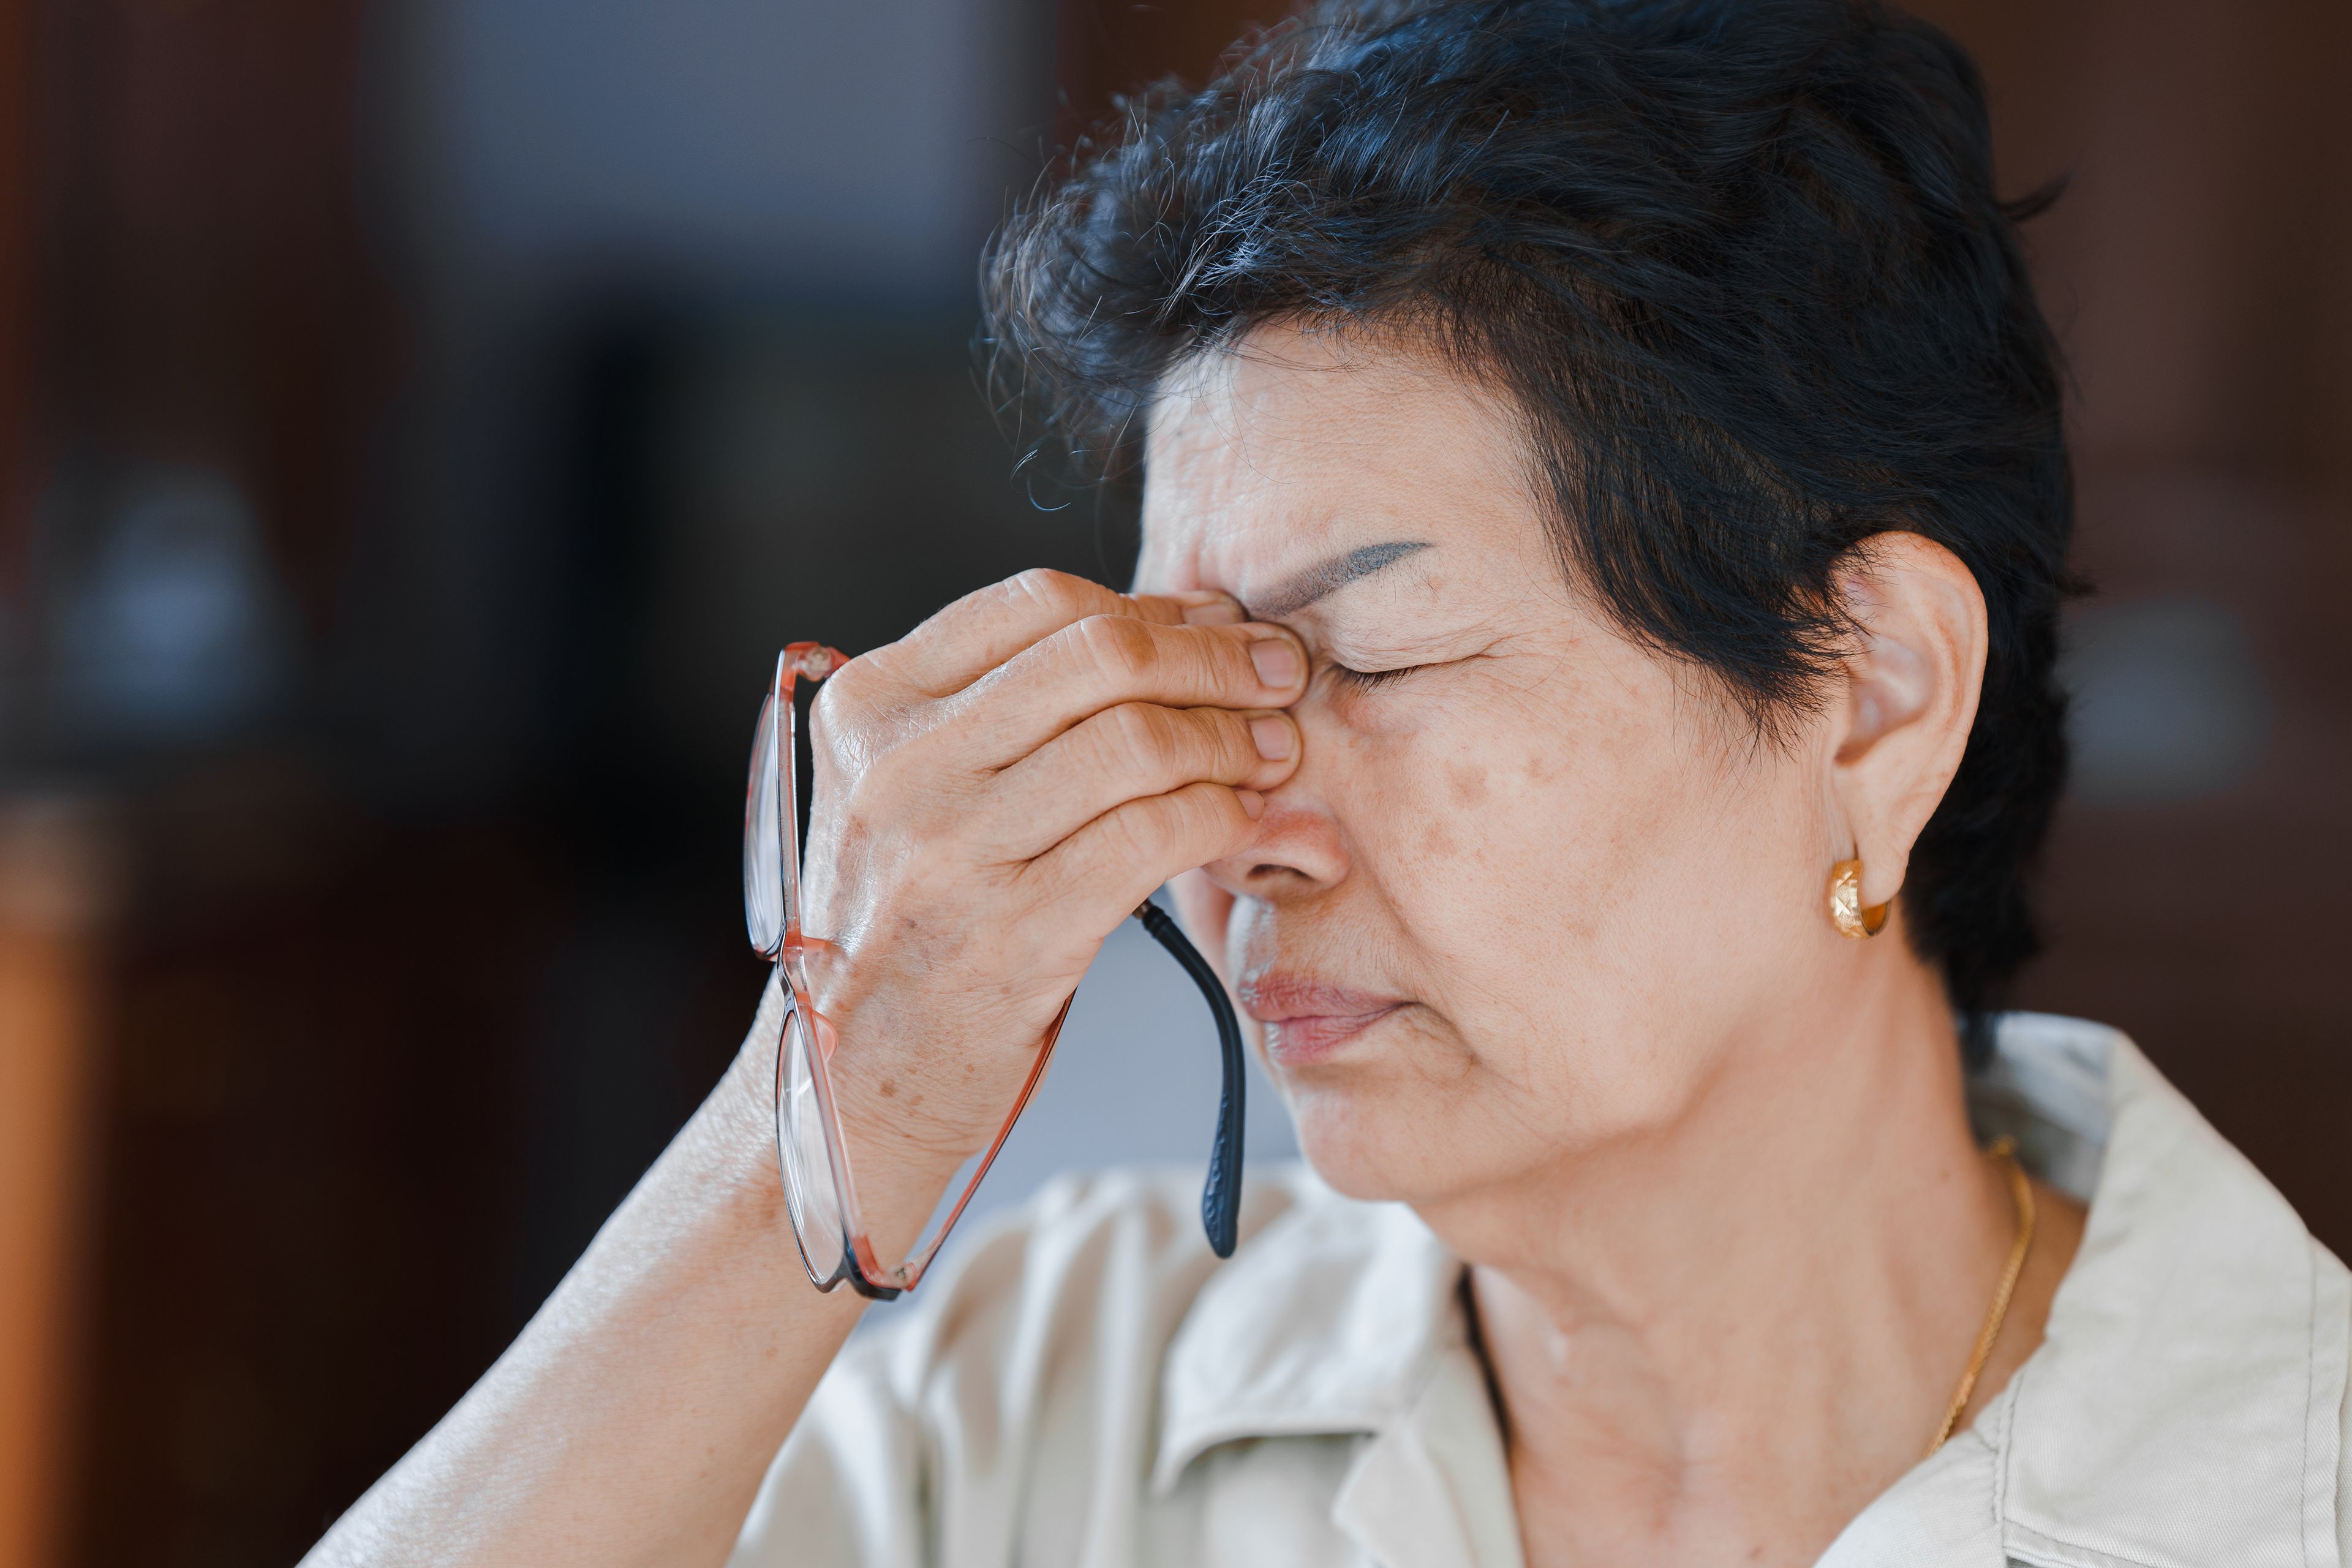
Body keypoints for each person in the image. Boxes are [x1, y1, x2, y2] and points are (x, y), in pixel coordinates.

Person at [302, 2, 2352, 1565]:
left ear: (1874, 700)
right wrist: (823, 1113)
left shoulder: (2288, 1475)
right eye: (1192, 683)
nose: (1226, 828)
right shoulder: (1070, 1398)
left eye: (1369, 654)